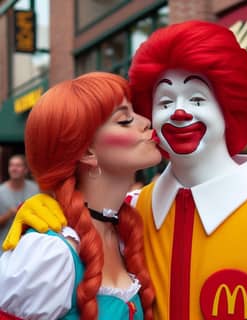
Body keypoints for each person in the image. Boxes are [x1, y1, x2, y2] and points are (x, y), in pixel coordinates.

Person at [4, 21, 247, 319]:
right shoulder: (129, 214)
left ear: (229, 106)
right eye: (165, 101)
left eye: (197, 98)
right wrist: (50, 206)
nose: (180, 112)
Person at [0, 72, 161, 319]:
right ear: (87, 151)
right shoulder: (51, 253)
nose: (146, 122)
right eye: (125, 120)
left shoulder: (131, 225)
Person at [0, 154, 39, 255]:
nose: (14, 168)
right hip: (5, 249)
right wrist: (9, 214)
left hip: (29, 248)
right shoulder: (1, 192)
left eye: (18, 165)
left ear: (25, 170)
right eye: (11, 165)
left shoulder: (36, 190)